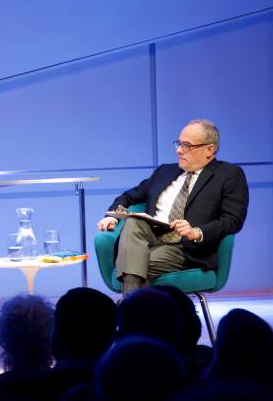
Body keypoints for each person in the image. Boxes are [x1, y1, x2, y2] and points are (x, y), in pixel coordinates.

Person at [96, 119, 249, 293]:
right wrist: (112, 216)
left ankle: (131, 313)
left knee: (133, 264)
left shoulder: (229, 174)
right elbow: (128, 197)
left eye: (187, 145)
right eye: (178, 143)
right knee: (133, 223)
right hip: (148, 238)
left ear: (209, 150)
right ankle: (141, 314)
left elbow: (233, 219)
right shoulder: (165, 171)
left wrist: (197, 232)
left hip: (185, 248)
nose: (178, 150)